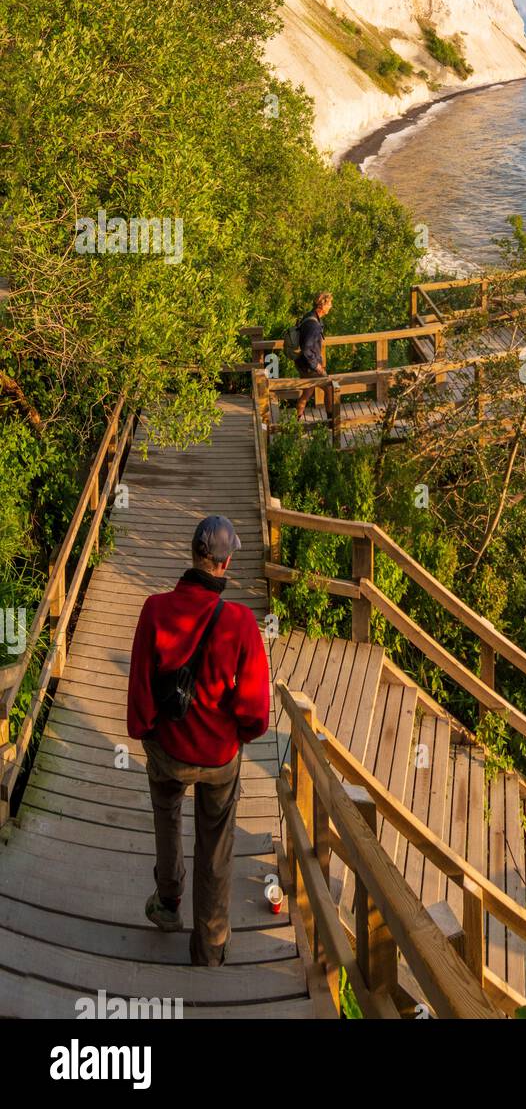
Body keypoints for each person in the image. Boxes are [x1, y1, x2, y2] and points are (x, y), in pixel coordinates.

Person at [127, 515, 270, 967]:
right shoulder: (242, 622)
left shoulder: (154, 610)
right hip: (218, 755)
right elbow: (256, 714)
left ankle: (168, 902)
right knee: (216, 841)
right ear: (225, 564)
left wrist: (148, 732)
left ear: (192, 555)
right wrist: (237, 738)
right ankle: (209, 945)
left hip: (168, 748)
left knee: (167, 816)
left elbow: (139, 693)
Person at [295, 291, 333, 418]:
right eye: (329, 303)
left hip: (302, 364)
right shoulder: (313, 325)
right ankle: (331, 421)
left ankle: (296, 421)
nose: (331, 306)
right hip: (310, 366)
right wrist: (316, 366)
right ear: (322, 305)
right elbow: (306, 348)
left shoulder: (309, 316)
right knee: (330, 388)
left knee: (307, 393)